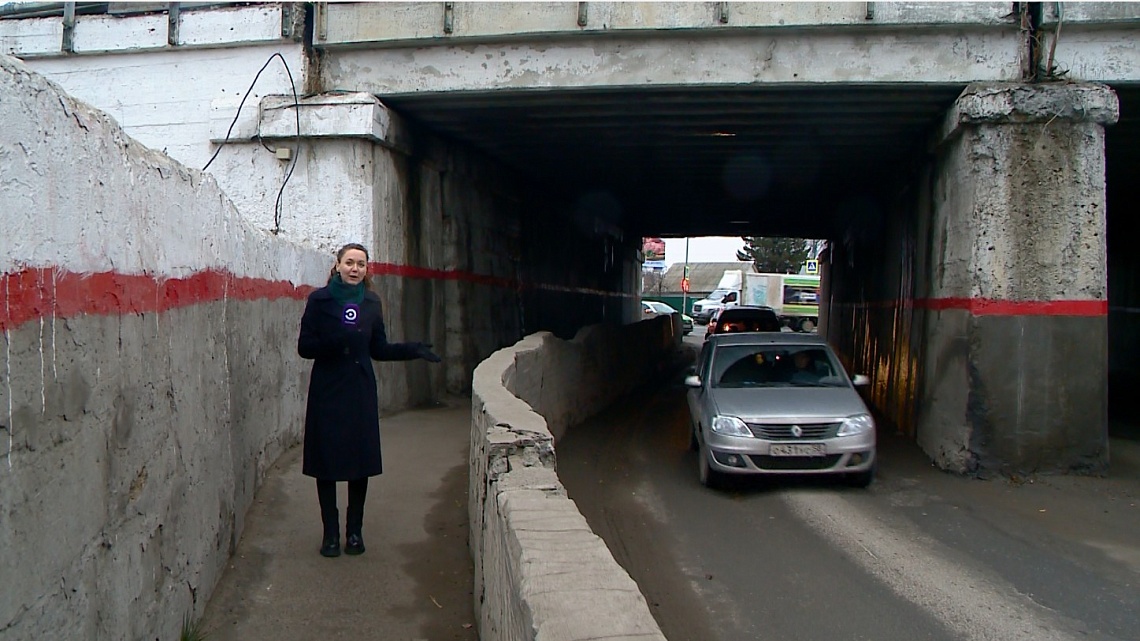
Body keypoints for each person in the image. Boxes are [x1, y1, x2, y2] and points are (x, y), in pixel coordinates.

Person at [297, 243, 441, 558]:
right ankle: (330, 535)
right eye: (349, 262)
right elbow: (305, 347)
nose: (355, 269)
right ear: (337, 265)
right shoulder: (319, 301)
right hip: (327, 390)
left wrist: (412, 349)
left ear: (366, 269)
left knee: (358, 462)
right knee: (326, 463)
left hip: (359, 391)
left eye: (361, 264)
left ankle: (354, 533)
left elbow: (379, 349)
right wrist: (338, 339)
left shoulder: (372, 302)